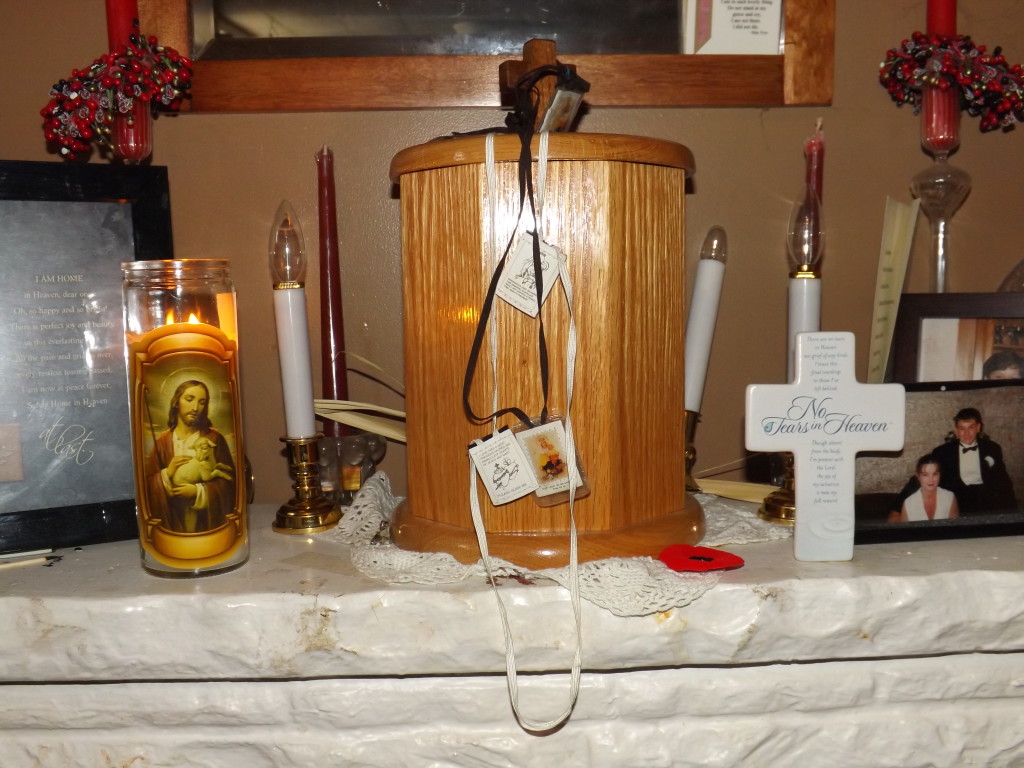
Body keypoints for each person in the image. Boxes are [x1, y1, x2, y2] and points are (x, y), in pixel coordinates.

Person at [144, 379, 236, 533]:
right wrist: (167, 473)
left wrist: (198, 492)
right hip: (173, 523)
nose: (195, 408)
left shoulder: (214, 439)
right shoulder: (162, 442)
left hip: (206, 525)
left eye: (202, 402)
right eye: (189, 399)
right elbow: (148, 486)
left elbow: (230, 484)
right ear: (176, 402)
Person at [927, 407, 1017, 516]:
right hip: (957, 499)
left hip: (985, 498)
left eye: (971, 427)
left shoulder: (992, 448)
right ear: (956, 430)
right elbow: (927, 476)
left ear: (978, 428)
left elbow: (1003, 480)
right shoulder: (942, 452)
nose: (966, 433)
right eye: (962, 428)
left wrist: (1012, 512)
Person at [891, 454, 959, 522]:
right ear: (918, 477)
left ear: (940, 475)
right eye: (925, 475)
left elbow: (954, 530)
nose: (931, 479)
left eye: (935, 474)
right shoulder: (908, 503)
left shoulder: (949, 497)